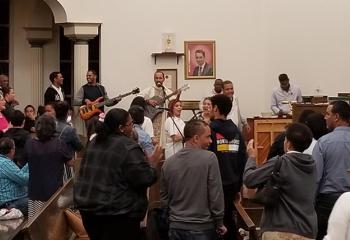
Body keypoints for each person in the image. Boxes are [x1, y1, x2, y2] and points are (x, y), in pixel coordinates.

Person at [74, 108, 159, 240]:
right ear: (121, 128)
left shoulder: (94, 142)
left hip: (89, 210)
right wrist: (152, 164)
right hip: (117, 214)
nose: (132, 128)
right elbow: (145, 178)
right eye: (131, 124)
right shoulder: (128, 146)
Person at [244, 123, 317, 240]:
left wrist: (251, 157)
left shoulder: (281, 162)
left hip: (279, 229)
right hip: (307, 230)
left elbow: (249, 179)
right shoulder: (313, 165)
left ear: (287, 143)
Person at [161, 119, 227, 240]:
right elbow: (215, 194)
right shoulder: (209, 158)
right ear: (196, 138)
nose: (211, 141)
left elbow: (164, 199)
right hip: (202, 228)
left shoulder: (168, 163)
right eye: (208, 137)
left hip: (175, 228)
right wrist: (219, 222)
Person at [208, 94, 247, 240]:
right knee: (229, 218)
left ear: (216, 108)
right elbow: (243, 157)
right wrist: (239, 184)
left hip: (215, 184)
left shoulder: (210, 130)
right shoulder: (237, 131)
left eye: (211, 106)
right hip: (233, 182)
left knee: (216, 222)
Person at [312, 100, 350, 240]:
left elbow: (316, 177)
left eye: (328, 114)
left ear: (337, 117)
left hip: (328, 203)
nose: (324, 117)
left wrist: (312, 203)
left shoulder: (323, 142)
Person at [24, 114, 73, 219]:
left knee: (35, 223)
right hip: (54, 193)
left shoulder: (29, 144)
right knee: (53, 225)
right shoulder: (59, 144)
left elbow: (23, 161)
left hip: (34, 192)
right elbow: (70, 163)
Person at [74, 70, 118, 139]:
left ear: (95, 76)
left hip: (100, 116)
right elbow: (75, 101)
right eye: (87, 75)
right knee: (91, 137)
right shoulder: (83, 88)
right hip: (89, 117)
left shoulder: (101, 88)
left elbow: (107, 103)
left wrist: (116, 101)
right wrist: (84, 100)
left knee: (102, 136)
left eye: (89, 75)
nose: (87, 77)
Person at [0, 137, 29, 216]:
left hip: (13, 200)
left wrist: (30, 163)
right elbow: (24, 180)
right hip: (11, 204)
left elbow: (18, 174)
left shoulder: (3, 161)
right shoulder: (5, 163)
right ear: (12, 150)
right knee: (40, 200)